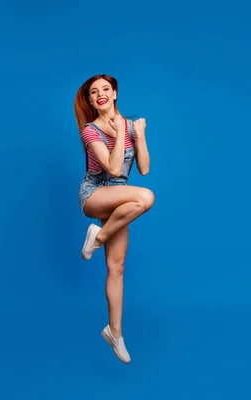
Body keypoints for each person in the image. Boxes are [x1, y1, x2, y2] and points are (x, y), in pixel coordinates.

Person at [73, 74, 155, 364]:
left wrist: (139, 135)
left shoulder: (132, 126)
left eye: (105, 89)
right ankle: (98, 235)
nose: (100, 95)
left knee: (116, 266)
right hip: (96, 193)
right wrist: (121, 130)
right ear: (91, 100)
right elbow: (113, 168)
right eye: (94, 92)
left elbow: (143, 168)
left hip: (119, 199)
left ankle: (115, 332)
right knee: (146, 198)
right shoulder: (90, 131)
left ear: (115, 93)